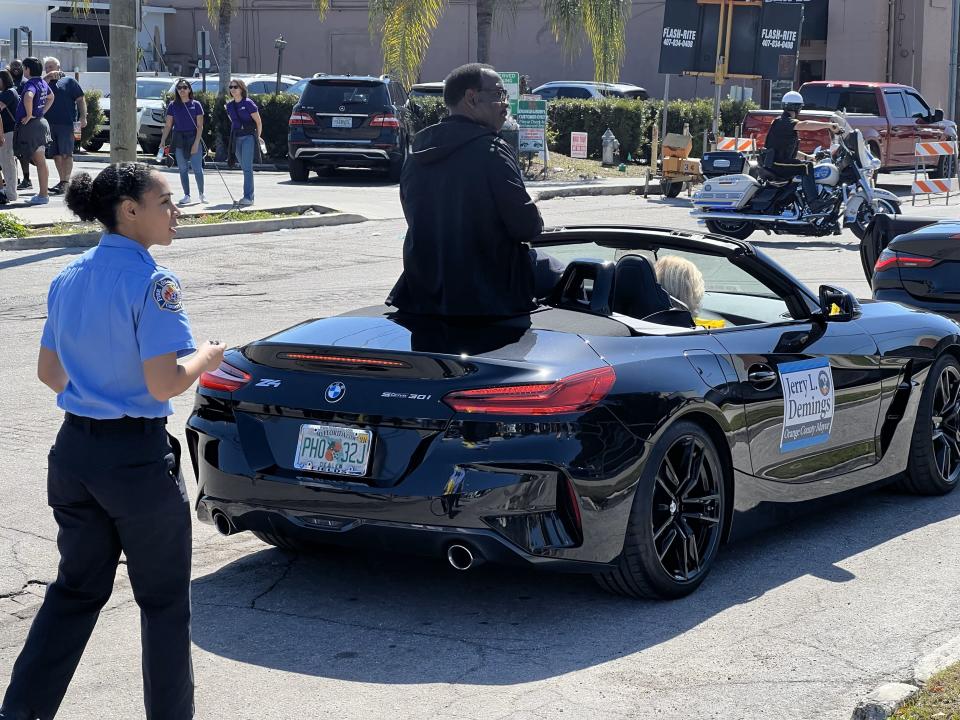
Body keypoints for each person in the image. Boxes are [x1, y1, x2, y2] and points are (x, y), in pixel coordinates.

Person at [0, 162, 225, 720]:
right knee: (164, 602)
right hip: (133, 461)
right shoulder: (153, 281)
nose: (175, 213)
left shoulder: (69, 275)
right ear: (130, 211)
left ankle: (21, 711)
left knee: (74, 591)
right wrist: (209, 357)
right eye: (165, 202)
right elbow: (164, 383)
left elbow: (49, 372)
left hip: (74, 454)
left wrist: (96, 385)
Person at [386, 63, 545, 317]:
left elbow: (419, 221)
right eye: (499, 95)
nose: (505, 104)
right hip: (490, 299)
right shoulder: (492, 150)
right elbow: (527, 227)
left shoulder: (416, 154)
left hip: (424, 295)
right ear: (471, 98)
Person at [764, 90, 840, 213]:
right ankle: (814, 203)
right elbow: (805, 124)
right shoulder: (785, 121)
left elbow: (789, 151)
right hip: (775, 164)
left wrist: (810, 157)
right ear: (798, 108)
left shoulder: (782, 122)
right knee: (806, 167)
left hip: (778, 162)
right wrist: (829, 126)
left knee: (808, 164)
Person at [13, 57, 54, 205]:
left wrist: (29, 114)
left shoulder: (30, 84)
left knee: (39, 160)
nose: (23, 70)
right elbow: (51, 96)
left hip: (32, 125)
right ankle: (43, 194)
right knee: (41, 161)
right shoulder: (43, 82)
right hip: (41, 123)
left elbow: (28, 97)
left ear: (27, 70)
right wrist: (41, 111)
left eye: (24, 68)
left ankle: (43, 195)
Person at [42, 56, 86, 194]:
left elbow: (80, 99)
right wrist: (46, 79)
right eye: (47, 67)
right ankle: (62, 182)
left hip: (67, 124)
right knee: (56, 155)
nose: (49, 69)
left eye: (51, 66)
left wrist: (83, 117)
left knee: (66, 154)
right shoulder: (44, 83)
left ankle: (65, 182)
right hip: (49, 125)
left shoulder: (69, 81)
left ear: (58, 67)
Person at [158, 78, 205, 205]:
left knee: (197, 168)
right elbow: (168, 125)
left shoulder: (196, 104)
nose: (182, 90)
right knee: (182, 168)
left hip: (193, 137)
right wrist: (163, 141)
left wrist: (196, 143)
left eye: (185, 87)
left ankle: (201, 194)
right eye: (179, 88)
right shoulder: (173, 105)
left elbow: (200, 126)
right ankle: (186, 195)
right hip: (178, 138)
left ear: (189, 89)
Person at [225, 78, 262, 206]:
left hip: (248, 137)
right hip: (236, 138)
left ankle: (248, 197)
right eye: (231, 87)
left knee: (247, 168)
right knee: (243, 166)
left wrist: (258, 137)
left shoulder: (248, 103)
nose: (233, 89)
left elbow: (258, 122)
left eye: (235, 87)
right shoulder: (229, 106)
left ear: (241, 89)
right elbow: (233, 121)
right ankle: (247, 196)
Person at [7, 60, 31, 193]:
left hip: (22, 122)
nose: (16, 68)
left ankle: (27, 179)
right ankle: (14, 179)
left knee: (22, 153)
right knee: (11, 154)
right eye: (13, 66)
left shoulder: (24, 83)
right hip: (9, 123)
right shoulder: (8, 82)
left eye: (18, 66)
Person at [0, 70, 20, 204]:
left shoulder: (9, 93)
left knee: (8, 164)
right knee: (6, 163)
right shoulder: (8, 92)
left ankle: (11, 194)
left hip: (7, 133)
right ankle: (4, 191)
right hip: (5, 132)